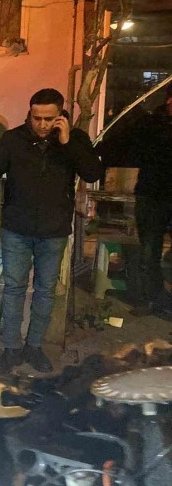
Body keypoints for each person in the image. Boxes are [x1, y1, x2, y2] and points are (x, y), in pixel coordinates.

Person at [0, 89, 104, 374]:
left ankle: (34, 347)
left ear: (60, 115)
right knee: (14, 289)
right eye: (37, 118)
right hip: (16, 227)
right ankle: (11, 349)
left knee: (45, 291)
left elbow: (93, 173)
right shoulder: (13, 138)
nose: (42, 124)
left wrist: (67, 142)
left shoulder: (75, 139)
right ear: (30, 113)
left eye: (49, 119)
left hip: (54, 229)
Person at [98, 84, 172, 314]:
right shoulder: (151, 125)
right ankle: (152, 298)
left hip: (154, 194)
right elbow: (121, 146)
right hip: (153, 195)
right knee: (149, 251)